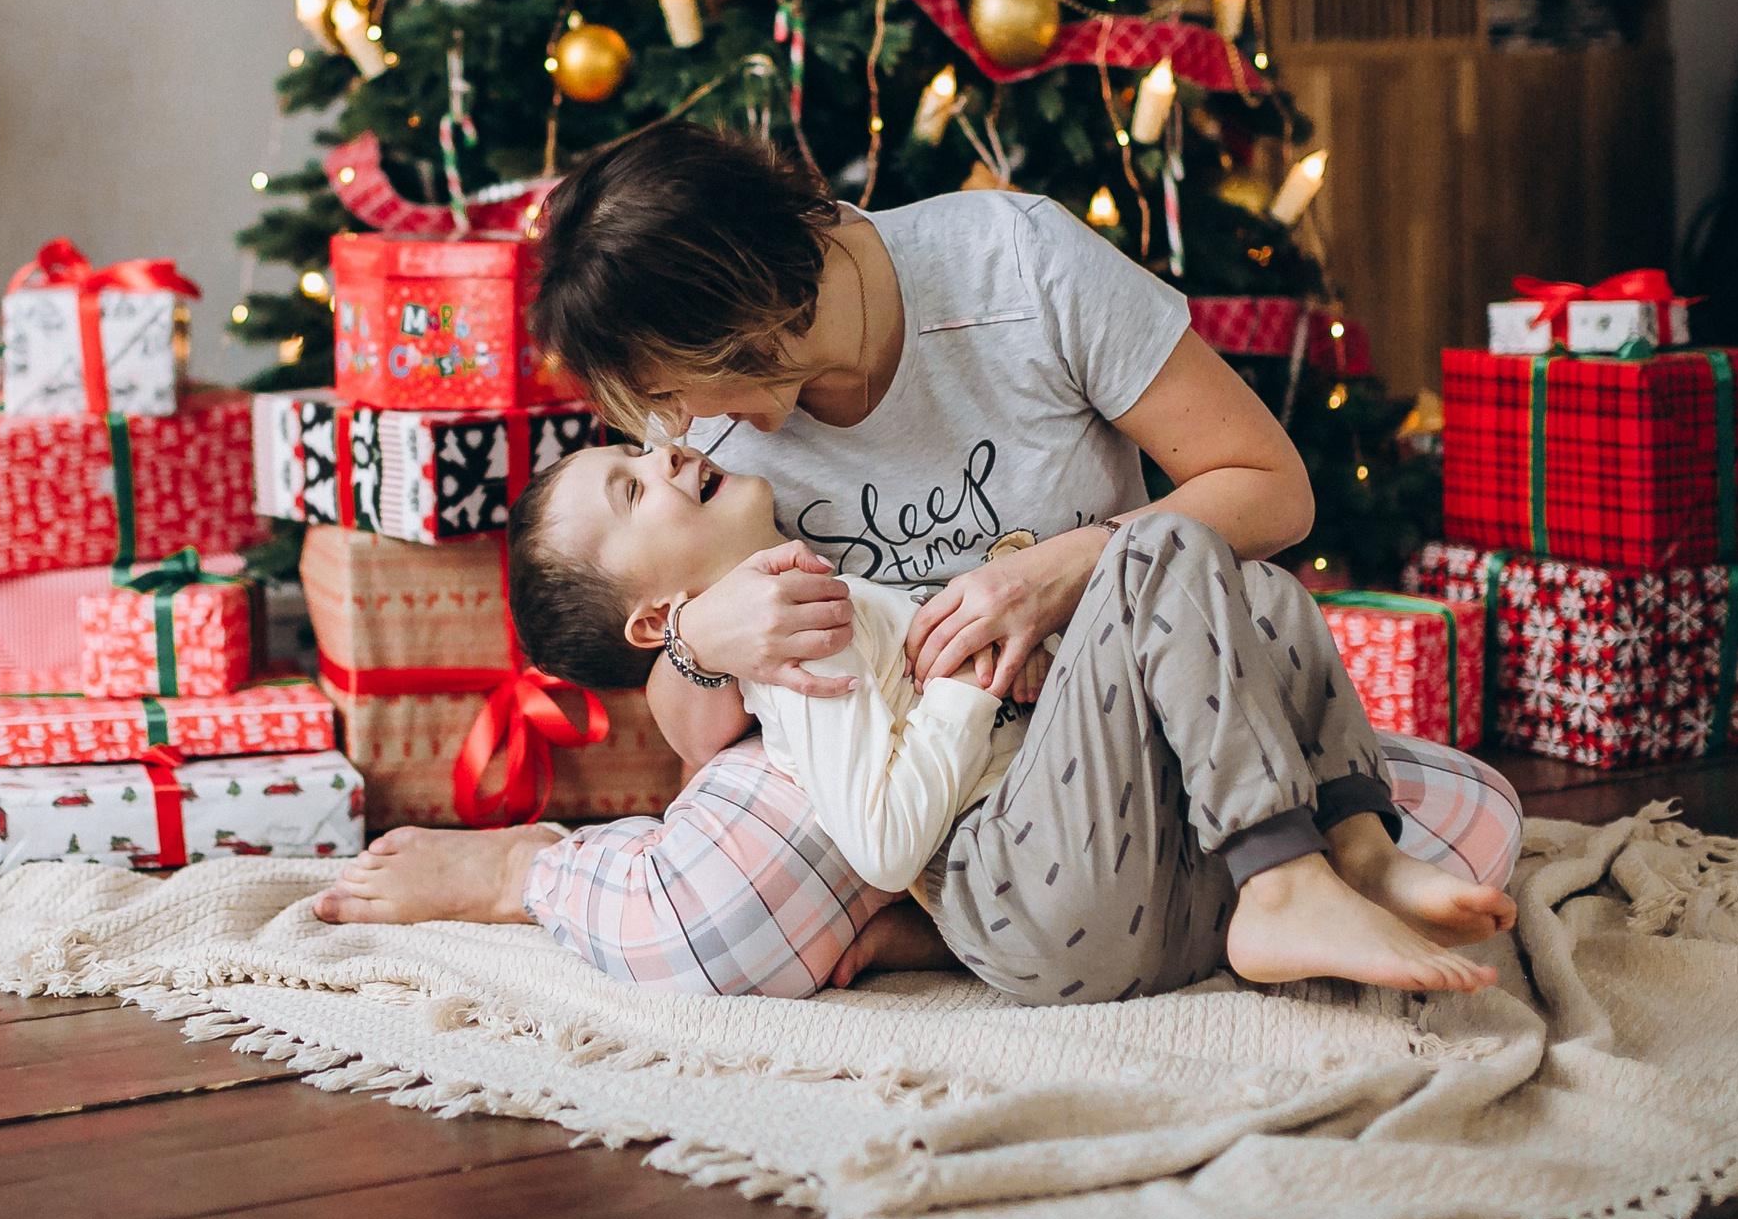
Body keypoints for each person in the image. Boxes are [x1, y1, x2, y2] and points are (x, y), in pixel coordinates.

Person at [313, 123, 1524, 999]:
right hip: (902, 785)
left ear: (753, 318)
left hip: (1117, 719)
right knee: (708, 918)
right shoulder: (713, 452)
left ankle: (1031, 927)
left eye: (691, 392)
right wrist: (700, 637)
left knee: (1477, 827)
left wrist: (1062, 570)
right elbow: (700, 737)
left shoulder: (1017, 270)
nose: (680, 436)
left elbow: (1272, 492)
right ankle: (546, 872)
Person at [496, 440, 1506, 1002]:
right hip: (1028, 898)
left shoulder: (826, 597)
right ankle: (1286, 883)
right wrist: (966, 693)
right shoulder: (803, 636)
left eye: (636, 449)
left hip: (1137, 888)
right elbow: (884, 845)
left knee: (1260, 593)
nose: (667, 452)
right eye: (633, 486)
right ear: (655, 619)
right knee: (1152, 550)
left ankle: (1348, 860)